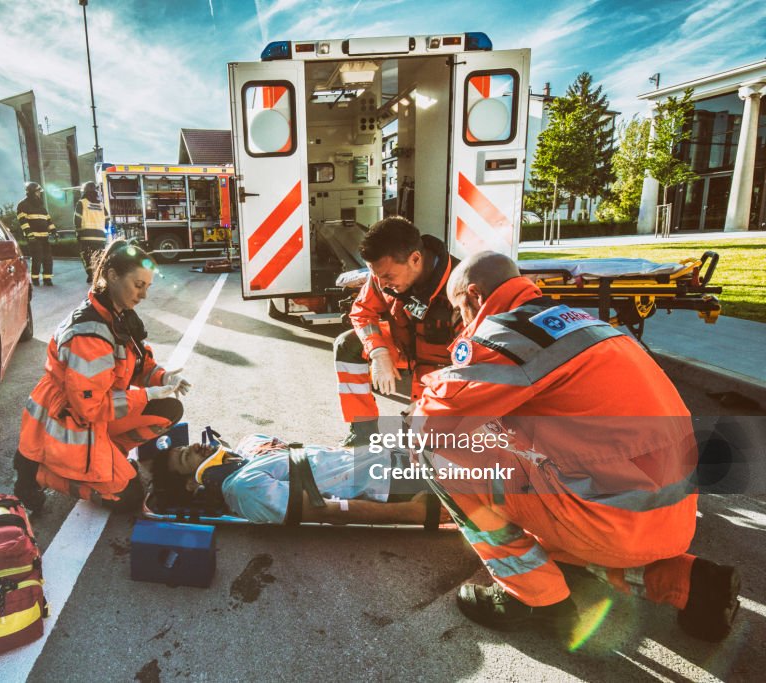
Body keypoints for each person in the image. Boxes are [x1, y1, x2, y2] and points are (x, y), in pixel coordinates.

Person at [412, 251, 739, 643]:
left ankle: (533, 598)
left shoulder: (507, 334)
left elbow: (434, 421)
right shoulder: (585, 323)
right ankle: (693, 584)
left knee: (434, 453)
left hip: (611, 521)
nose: (459, 321)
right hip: (671, 518)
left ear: (476, 295)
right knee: (550, 542)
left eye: (458, 309)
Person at [13, 240, 192, 512]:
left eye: (147, 287)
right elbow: (90, 407)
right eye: (138, 285)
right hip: (69, 422)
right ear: (112, 276)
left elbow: (138, 365)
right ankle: (38, 472)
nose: (143, 295)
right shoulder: (90, 334)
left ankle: (107, 453)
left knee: (168, 408)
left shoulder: (117, 315)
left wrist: (163, 378)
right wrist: (145, 395)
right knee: (130, 498)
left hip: (94, 416)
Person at [334, 216, 460, 446]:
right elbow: (362, 312)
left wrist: (426, 404)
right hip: (403, 348)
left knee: (423, 446)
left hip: (444, 367)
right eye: (377, 276)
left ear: (415, 259)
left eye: (388, 277)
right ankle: (362, 431)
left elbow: (471, 367)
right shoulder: (382, 276)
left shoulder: (460, 288)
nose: (381, 284)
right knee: (347, 344)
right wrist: (378, 352)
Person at [158, 433, 447, 527]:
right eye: (186, 457)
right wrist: (413, 513)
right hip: (395, 484)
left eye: (187, 445)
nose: (195, 447)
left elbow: (321, 459)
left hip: (394, 454)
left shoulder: (249, 449)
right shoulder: (244, 489)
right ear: (192, 485)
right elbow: (326, 509)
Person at [16, 182, 57, 286]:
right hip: (34, 237)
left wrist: (54, 231)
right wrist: (29, 235)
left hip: (44, 236)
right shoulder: (23, 205)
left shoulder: (41, 206)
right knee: (37, 258)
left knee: (48, 258)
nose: (40, 193)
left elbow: (48, 220)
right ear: (33, 192)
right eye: (38, 191)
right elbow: (23, 221)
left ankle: (47, 279)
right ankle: (35, 279)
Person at [74, 181, 107, 284]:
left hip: (86, 236)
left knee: (87, 256)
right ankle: (98, 275)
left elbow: (77, 219)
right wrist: (103, 230)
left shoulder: (82, 203)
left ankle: (91, 275)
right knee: (99, 256)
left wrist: (78, 233)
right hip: (100, 237)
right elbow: (108, 219)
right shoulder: (101, 205)